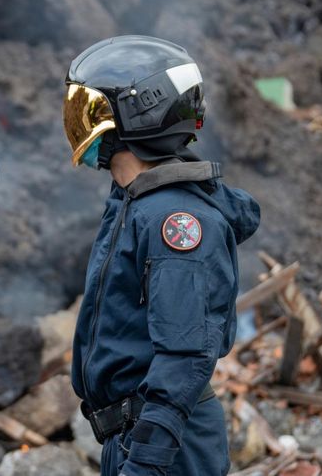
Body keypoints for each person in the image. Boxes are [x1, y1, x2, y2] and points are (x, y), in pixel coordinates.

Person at [63, 36, 260, 476]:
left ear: (139, 115)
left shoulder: (176, 221)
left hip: (164, 447)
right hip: (138, 437)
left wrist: (148, 458)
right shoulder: (135, 204)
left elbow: (185, 354)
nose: (79, 122)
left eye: (94, 110)